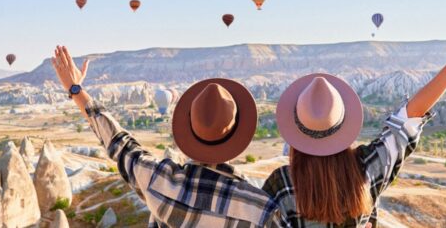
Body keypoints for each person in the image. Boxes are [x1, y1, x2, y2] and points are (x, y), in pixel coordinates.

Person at [263, 26, 446, 227]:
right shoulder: (366, 167)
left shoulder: (281, 183)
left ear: (296, 133)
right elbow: (410, 116)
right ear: (343, 126)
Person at [51, 46, 290, 228]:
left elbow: (119, 143)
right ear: (238, 138)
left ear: (189, 129)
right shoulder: (262, 209)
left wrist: (76, 90)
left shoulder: (160, 181)